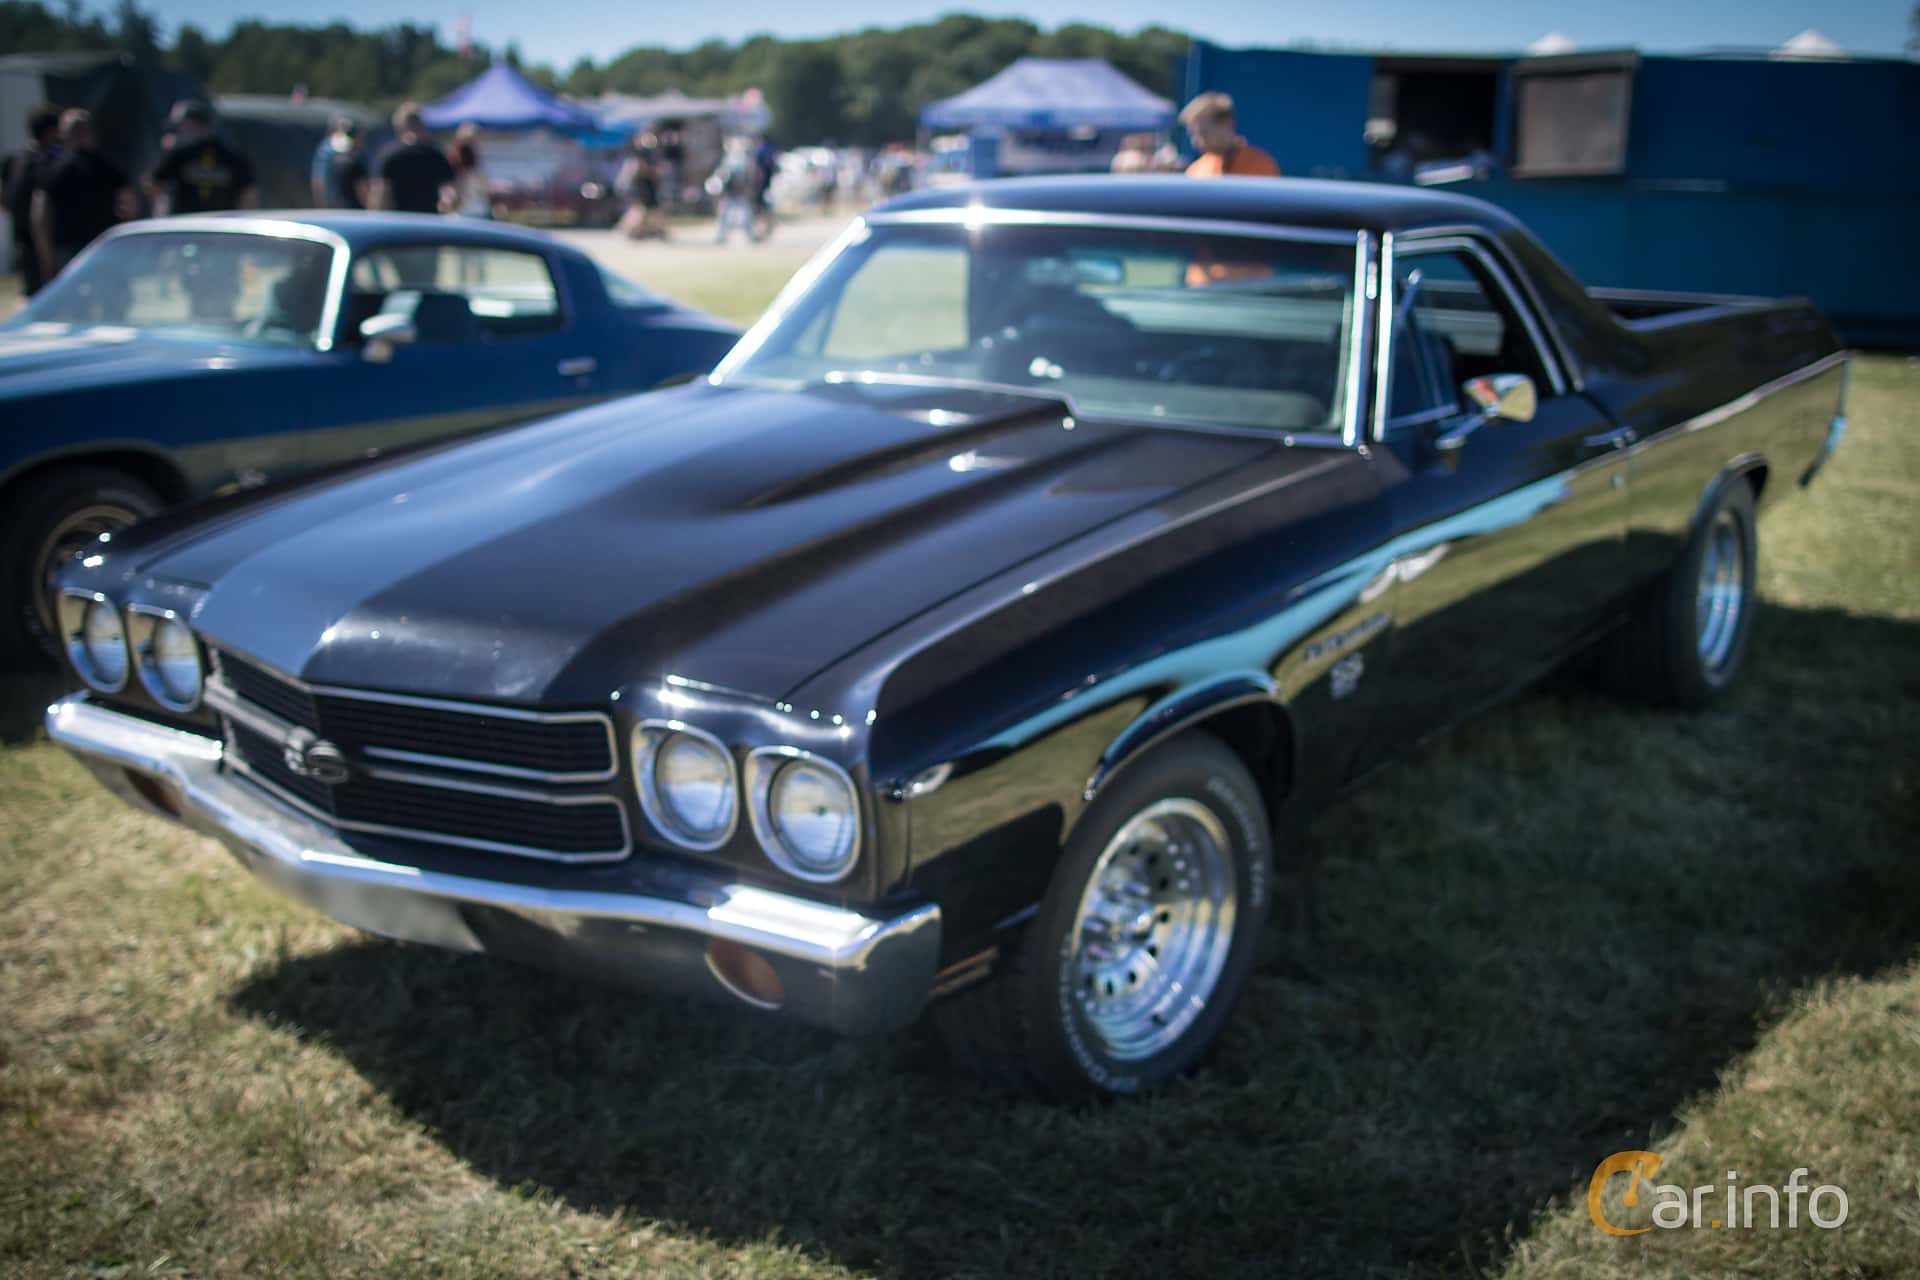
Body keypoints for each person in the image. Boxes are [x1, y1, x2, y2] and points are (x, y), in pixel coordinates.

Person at [31, 110, 134, 284]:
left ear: (63, 135)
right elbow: (130, 203)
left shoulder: (53, 169)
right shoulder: (106, 165)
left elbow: (39, 217)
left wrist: (47, 258)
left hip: (70, 250)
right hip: (103, 246)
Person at [146, 99, 257, 215]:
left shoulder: (180, 154)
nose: (177, 132)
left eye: (180, 127)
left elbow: (153, 184)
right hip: (222, 224)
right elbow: (249, 196)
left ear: (192, 124)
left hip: (186, 224)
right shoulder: (231, 155)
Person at [3, 104, 61, 296]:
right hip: (47, 237)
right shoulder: (48, 161)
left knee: (35, 293)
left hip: (23, 237)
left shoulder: (15, 160)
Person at [368, 104, 454, 215]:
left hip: (400, 222)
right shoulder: (437, 154)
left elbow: (380, 194)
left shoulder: (390, 155)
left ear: (399, 126)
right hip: (431, 221)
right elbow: (449, 192)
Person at [1180, 92, 1280, 179]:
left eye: (1203, 133)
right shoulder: (1196, 171)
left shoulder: (1262, 167)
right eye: (1192, 135)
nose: (1195, 142)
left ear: (1226, 123)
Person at [310, 117, 368, 209]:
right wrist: (322, 206)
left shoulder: (358, 155)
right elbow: (319, 180)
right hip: (334, 205)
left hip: (349, 207)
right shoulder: (327, 151)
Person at [447, 123, 490, 218]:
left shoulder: (477, 167)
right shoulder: (454, 167)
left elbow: (485, 190)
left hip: (479, 212)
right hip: (462, 214)